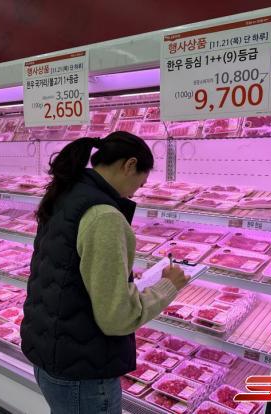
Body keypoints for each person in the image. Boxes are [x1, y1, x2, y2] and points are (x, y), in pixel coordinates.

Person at [20, 131, 189, 413]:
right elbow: (117, 318)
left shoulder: (68, 192)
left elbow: (69, 272)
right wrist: (168, 286)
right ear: (129, 165)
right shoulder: (105, 215)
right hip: (83, 373)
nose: (135, 193)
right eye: (140, 184)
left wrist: (118, 279)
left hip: (52, 354)